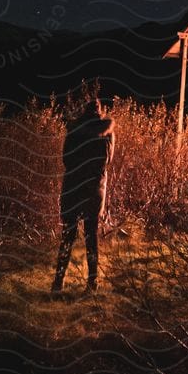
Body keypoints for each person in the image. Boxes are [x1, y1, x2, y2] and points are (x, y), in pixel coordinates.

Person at [51, 89, 114, 293]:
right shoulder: (107, 132)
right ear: (100, 111)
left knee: (67, 236)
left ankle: (58, 283)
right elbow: (109, 161)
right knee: (91, 237)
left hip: (73, 187)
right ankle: (92, 283)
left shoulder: (74, 130)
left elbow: (66, 159)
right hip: (94, 188)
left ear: (84, 111)